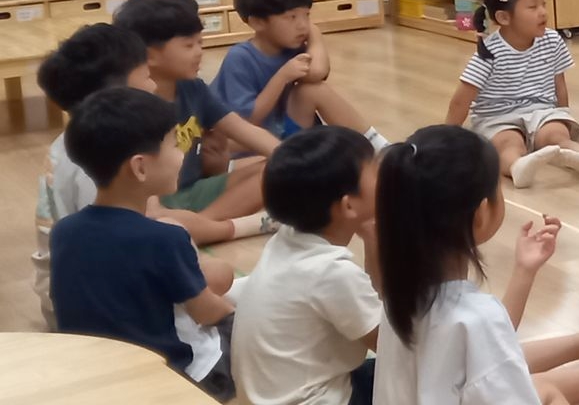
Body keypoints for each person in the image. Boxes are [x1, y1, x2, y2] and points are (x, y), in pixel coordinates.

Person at [372, 125, 579, 404]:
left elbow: (483, 343)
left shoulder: (398, 296)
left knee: (545, 387)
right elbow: (487, 337)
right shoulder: (476, 318)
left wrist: (524, 271)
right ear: (481, 214)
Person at [31, 23, 261, 327]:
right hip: (107, 309)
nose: (153, 87)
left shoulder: (81, 144)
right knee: (217, 274)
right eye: (146, 76)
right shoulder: (101, 164)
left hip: (77, 295)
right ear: (115, 95)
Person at [52, 88, 239, 401]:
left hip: (93, 376)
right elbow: (207, 312)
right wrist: (241, 315)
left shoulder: (64, 232)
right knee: (247, 321)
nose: (182, 154)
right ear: (140, 167)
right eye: (174, 144)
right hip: (170, 378)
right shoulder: (164, 238)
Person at [232, 127, 382, 405]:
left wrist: (372, 236)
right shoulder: (331, 273)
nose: (382, 174)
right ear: (349, 206)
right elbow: (389, 344)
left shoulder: (286, 239)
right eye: (374, 169)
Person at [115, 0, 282, 222]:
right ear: (150, 55)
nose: (199, 52)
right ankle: (199, 226)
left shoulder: (193, 88)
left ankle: (199, 223)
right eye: (188, 45)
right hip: (152, 202)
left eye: (200, 43)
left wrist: (292, 159)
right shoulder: (132, 103)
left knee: (275, 169)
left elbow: (244, 130)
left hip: (193, 191)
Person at [446, 0, 579, 189]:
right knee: (508, 144)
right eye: (533, 7)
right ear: (504, 17)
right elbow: (461, 101)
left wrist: (565, 118)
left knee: (556, 133)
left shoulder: (552, 40)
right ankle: (517, 167)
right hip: (498, 119)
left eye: (543, 4)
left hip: (542, 113)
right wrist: (447, 139)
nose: (543, 12)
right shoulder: (488, 53)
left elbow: (559, 86)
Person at [213, 0, 386, 145]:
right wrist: (282, 77)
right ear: (258, 22)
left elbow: (317, 73)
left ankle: (379, 147)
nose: (303, 25)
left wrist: (315, 34)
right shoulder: (239, 58)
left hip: (279, 130)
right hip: (246, 143)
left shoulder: (291, 47)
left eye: (307, 15)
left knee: (313, 90)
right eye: (292, 17)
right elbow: (248, 120)